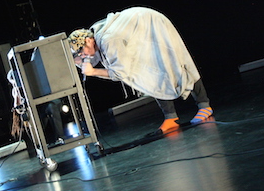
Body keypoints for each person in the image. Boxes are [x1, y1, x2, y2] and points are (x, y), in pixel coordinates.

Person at [68, 7, 213, 135]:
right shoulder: (93, 35)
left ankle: (204, 105)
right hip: (139, 32)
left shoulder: (108, 40)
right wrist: (78, 61)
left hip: (152, 25)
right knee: (151, 76)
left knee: (177, 62)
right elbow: (91, 56)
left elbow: (119, 73)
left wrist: (94, 72)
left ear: (87, 41)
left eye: (81, 52)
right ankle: (171, 117)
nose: (83, 56)